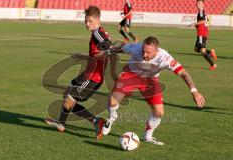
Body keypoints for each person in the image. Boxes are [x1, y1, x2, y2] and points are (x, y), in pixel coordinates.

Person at [97, 36, 205, 145]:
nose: (144, 55)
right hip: (131, 75)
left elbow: (183, 73)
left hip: (150, 79)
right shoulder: (136, 49)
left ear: (156, 51)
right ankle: (111, 119)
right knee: (112, 101)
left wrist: (194, 91)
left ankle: (148, 136)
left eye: (148, 53)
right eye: (143, 51)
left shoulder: (165, 58)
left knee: (159, 112)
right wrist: (107, 52)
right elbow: (121, 48)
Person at [45, 6, 115, 139]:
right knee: (68, 94)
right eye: (86, 21)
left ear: (97, 20)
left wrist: (106, 51)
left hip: (92, 78)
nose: (87, 24)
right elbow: (101, 49)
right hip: (88, 74)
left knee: (68, 100)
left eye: (90, 21)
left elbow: (107, 43)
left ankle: (95, 121)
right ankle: (62, 123)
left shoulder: (97, 33)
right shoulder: (98, 31)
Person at [189, 0, 217, 70]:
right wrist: (197, 26)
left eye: (200, 3)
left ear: (203, 5)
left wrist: (194, 23)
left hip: (202, 33)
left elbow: (204, 20)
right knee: (196, 49)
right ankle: (210, 52)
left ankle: (213, 64)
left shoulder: (201, 12)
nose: (197, 4)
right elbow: (206, 21)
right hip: (202, 32)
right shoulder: (202, 11)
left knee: (202, 50)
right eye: (197, 3)